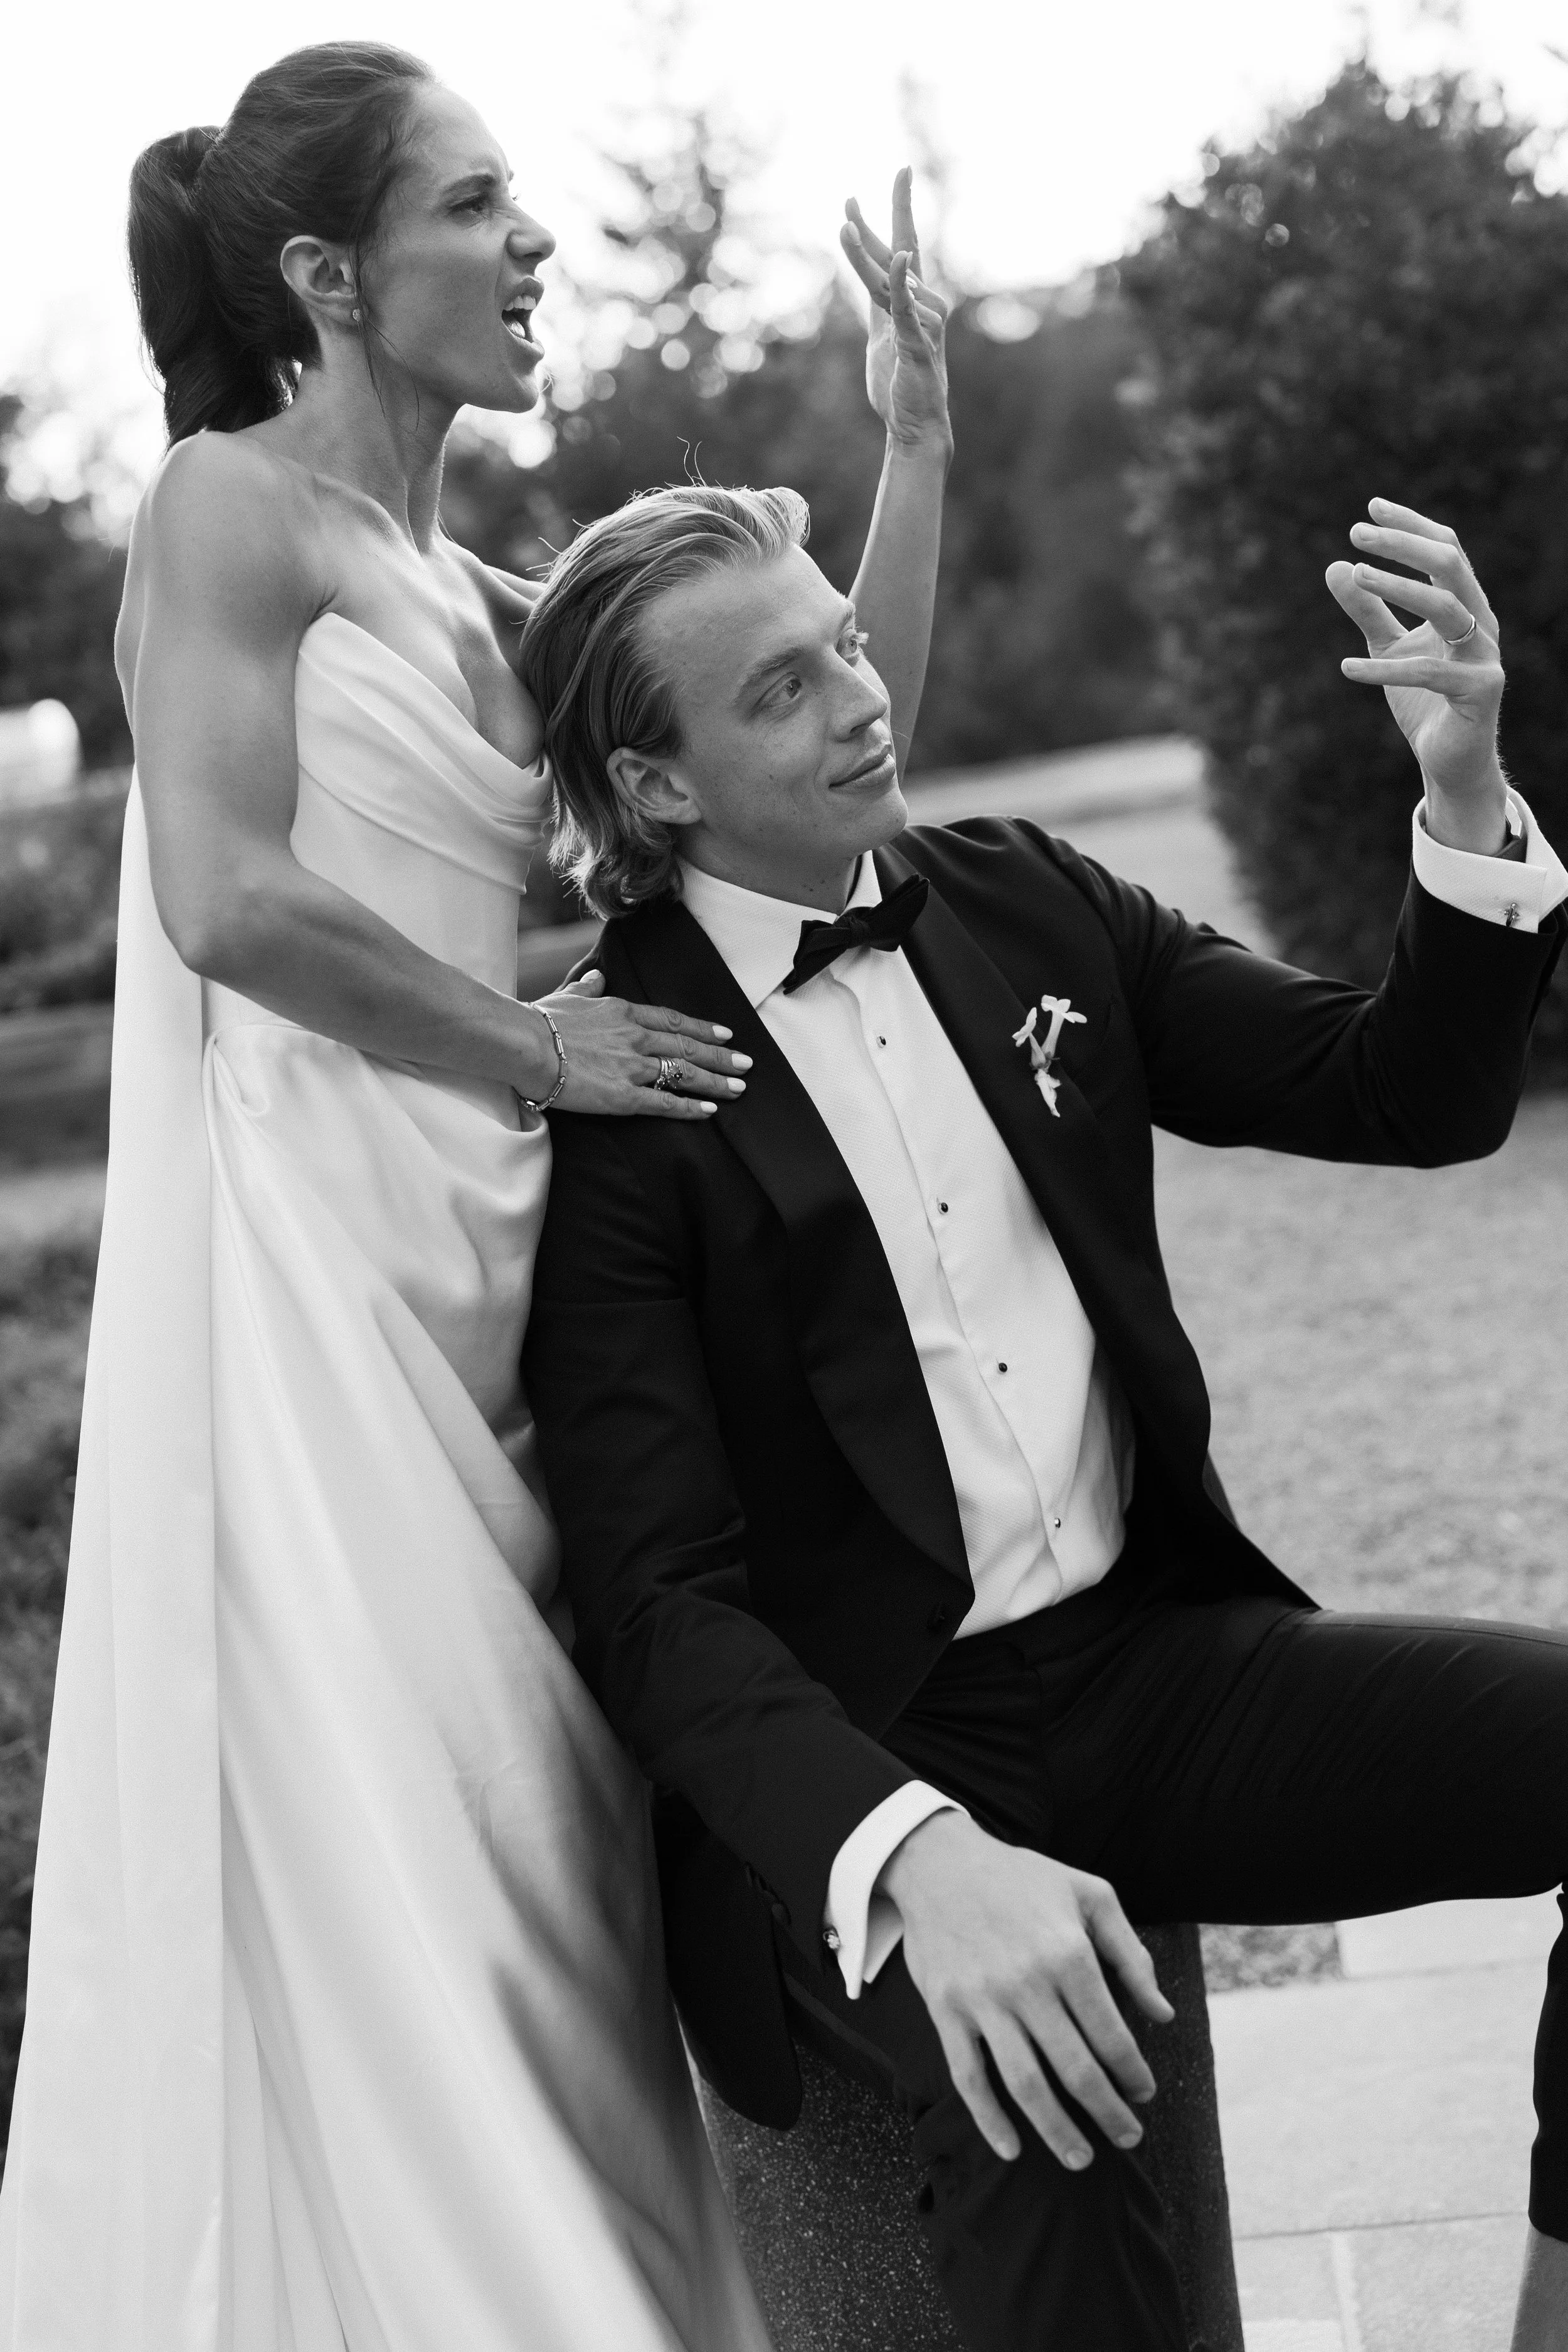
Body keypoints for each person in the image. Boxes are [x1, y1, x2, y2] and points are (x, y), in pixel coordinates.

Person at [0, 41, 953, 2348]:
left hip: (504, 1285)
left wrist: (915, 444)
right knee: (435, 1867)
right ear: (327, 273)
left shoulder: (474, 587)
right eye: (476, 205)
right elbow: (225, 900)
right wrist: (543, 1045)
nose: (530, 243)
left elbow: (813, 769)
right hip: (324, 1315)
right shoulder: (227, 507)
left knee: (545, 1873)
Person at [518, 479, 1568, 2351]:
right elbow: (661, 1604)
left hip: (1159, 1669)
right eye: (779, 689)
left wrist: (1462, 790)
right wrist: (914, 1853)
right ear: (654, 781)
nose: (858, 695)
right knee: (1055, 2104)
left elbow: (1402, 1090)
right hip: (878, 1744)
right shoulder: (626, 1082)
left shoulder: (1027, 902)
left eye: (843, 642)